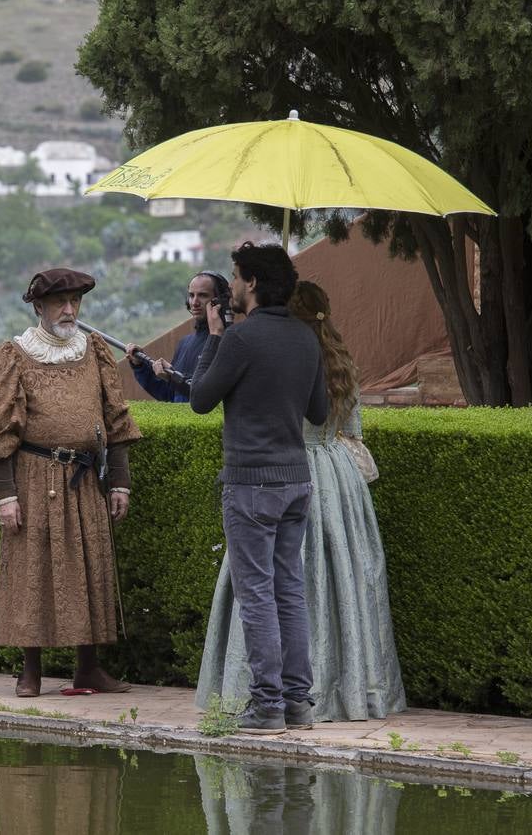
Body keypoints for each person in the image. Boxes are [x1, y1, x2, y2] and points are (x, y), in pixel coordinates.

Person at [196, 282, 407, 722]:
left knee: (263, 588)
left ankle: (266, 698)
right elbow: (354, 432)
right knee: (327, 581)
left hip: (278, 469)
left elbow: (216, 400)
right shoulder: (342, 362)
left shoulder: (275, 353)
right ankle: (320, 694)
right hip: (338, 477)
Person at [0, 267, 142, 697]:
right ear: (38, 307)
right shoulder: (13, 355)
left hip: (86, 479)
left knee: (90, 568)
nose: (69, 310)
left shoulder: (96, 351)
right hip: (34, 478)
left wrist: (119, 482)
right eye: (59, 303)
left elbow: (117, 419)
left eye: (75, 302)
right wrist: (5, 496)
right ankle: (30, 671)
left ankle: (88, 668)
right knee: (34, 571)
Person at [188, 241, 328, 735]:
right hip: (296, 481)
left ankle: (266, 704)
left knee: (257, 594)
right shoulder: (307, 338)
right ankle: (298, 704)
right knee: (289, 590)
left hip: (251, 483)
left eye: (236, 277)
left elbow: (200, 399)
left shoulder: (240, 340)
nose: (232, 285)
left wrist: (214, 337)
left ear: (251, 283)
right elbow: (320, 412)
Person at [123, 271, 231, 402]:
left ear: (220, 301)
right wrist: (139, 366)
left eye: (202, 295)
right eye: (191, 295)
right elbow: (169, 395)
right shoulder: (185, 343)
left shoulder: (230, 342)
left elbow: (207, 394)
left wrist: (174, 377)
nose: (195, 302)